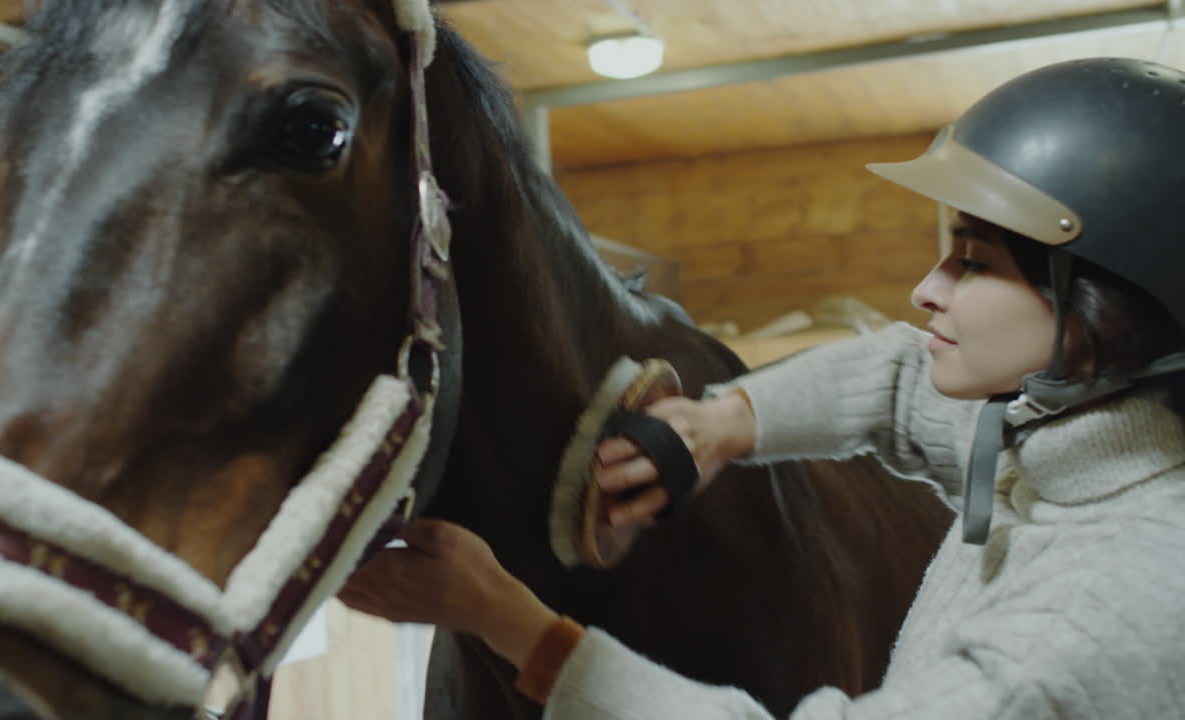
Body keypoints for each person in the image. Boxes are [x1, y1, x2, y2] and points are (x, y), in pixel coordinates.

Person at [338, 57, 1185, 718]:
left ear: (1095, 316)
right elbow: (896, 377)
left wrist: (512, 626)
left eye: (973, 263)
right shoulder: (1063, 435)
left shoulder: (1102, 613)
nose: (928, 289)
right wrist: (722, 427)